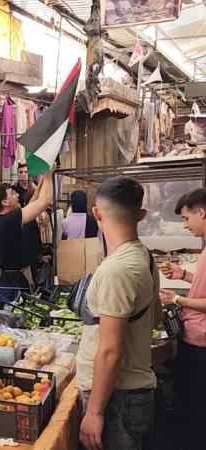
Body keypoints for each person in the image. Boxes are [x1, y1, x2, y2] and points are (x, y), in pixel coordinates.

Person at [77, 176, 160, 450]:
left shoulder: (117, 269)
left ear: (97, 213)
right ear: (142, 214)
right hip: (129, 391)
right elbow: (155, 317)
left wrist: (95, 412)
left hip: (117, 399)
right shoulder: (144, 256)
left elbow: (110, 350)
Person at [159, 188, 206, 450]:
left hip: (202, 343)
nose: (185, 225)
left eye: (187, 218)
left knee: (197, 407)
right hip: (195, 337)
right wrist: (183, 275)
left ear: (202, 212)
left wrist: (177, 300)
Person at [0, 172, 53, 308]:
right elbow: (44, 201)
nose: (17, 195)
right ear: (5, 202)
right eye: (12, 193)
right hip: (10, 286)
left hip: (7, 281)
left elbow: (32, 203)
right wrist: (49, 173)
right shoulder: (8, 221)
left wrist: (41, 182)